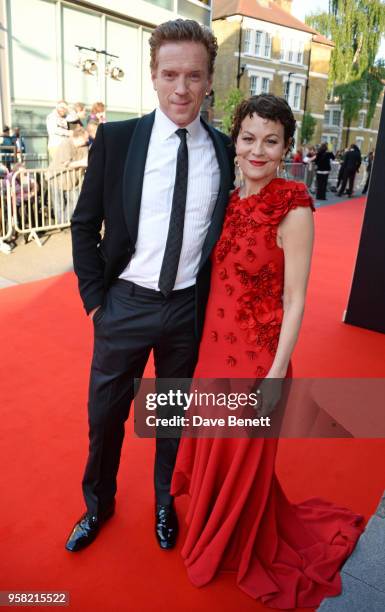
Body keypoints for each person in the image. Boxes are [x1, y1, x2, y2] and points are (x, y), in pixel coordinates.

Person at [171, 94, 364, 609]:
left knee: (242, 462)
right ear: (235, 141)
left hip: (257, 362)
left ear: (285, 148)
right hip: (213, 353)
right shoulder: (229, 203)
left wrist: (278, 373)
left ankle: (233, 539)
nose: (258, 149)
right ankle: (216, 526)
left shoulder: (294, 207)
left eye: (271, 140)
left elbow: (297, 297)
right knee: (215, 451)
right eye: (249, 137)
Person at [66, 19, 234, 553]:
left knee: (171, 418)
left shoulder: (225, 150)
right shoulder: (117, 140)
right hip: (125, 305)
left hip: (188, 310)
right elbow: (83, 222)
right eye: (169, 75)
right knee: (106, 418)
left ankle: (165, 503)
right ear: (153, 76)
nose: (180, 88)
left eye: (193, 76)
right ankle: (98, 506)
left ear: (210, 81)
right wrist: (97, 303)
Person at [47, 126, 88, 224]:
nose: (87, 140)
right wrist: (82, 162)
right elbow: (67, 164)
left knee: (75, 202)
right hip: (57, 179)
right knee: (58, 205)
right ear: (79, 137)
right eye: (86, 138)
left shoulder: (85, 147)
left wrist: (83, 162)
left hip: (74, 181)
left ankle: (64, 222)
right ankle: (62, 224)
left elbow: (87, 161)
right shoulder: (66, 143)